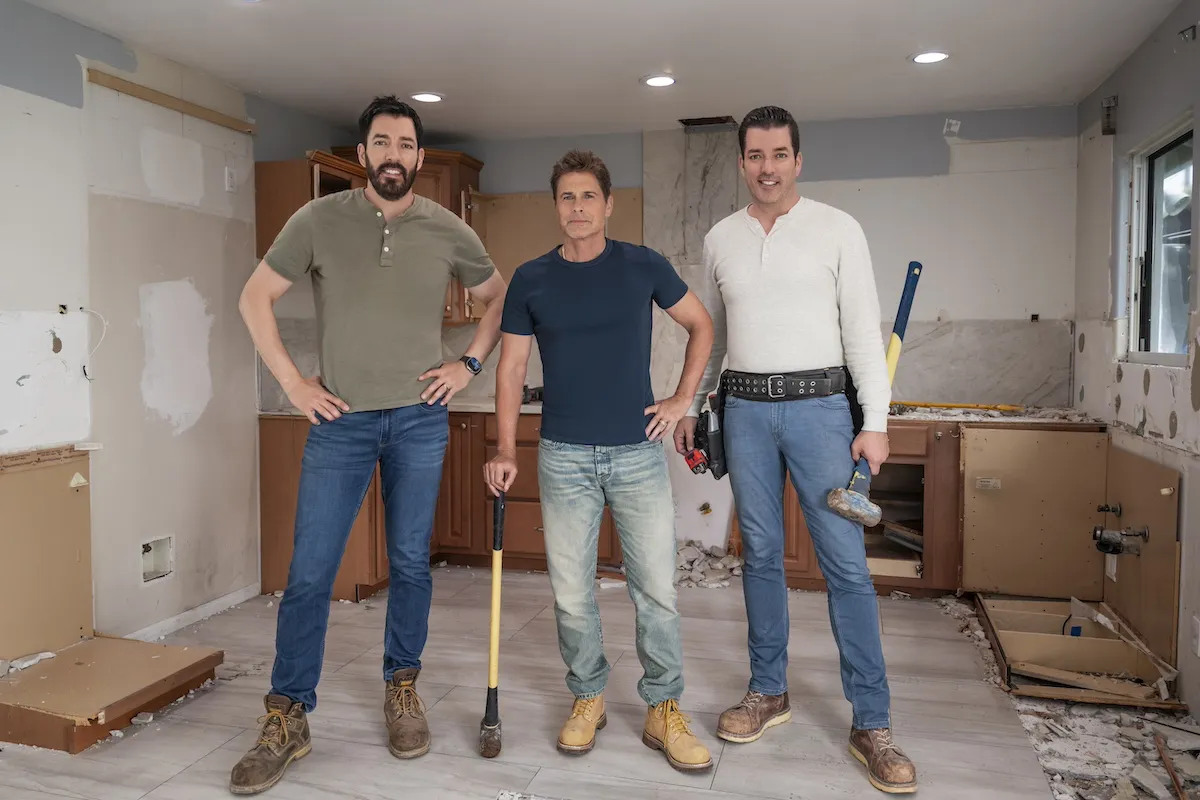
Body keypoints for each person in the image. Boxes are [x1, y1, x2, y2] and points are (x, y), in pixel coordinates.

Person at [231, 95, 508, 795]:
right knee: (311, 571)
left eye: (405, 144)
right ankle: (289, 714)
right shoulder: (317, 220)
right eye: (381, 142)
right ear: (364, 155)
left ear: (418, 156)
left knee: (411, 562)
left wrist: (467, 363)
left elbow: (498, 299)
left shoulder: (447, 228)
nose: (393, 154)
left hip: (419, 418)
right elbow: (253, 298)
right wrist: (294, 386)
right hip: (342, 420)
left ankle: (402, 689)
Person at [675, 106, 918, 794]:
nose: (767, 167)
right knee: (758, 555)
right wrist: (696, 405)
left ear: (798, 160)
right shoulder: (721, 237)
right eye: (754, 155)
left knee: (845, 565)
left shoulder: (838, 229)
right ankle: (767, 692)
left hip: (819, 409)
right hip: (745, 409)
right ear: (741, 162)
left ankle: (872, 722)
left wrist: (874, 421)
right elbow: (715, 337)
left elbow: (864, 337)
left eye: (779, 154)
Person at [483, 150, 715, 773]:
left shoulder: (642, 266)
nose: (578, 208)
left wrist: (681, 398)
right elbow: (510, 368)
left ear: (608, 205)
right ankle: (588, 696)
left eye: (588, 197)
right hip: (561, 456)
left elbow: (701, 325)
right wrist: (506, 449)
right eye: (567, 198)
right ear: (556, 206)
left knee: (656, 591)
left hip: (637, 452)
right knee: (571, 593)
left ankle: (664, 709)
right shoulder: (531, 279)